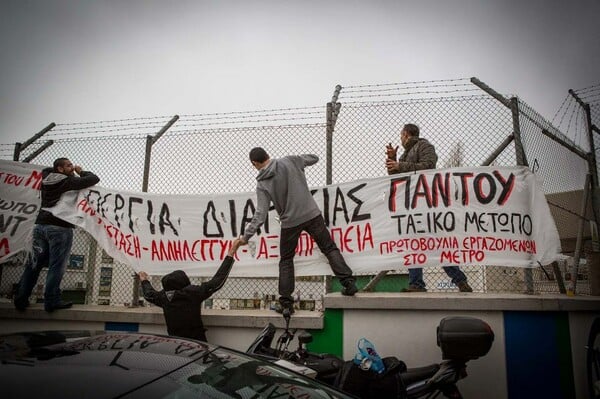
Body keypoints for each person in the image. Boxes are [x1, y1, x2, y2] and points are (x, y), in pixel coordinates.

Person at [234, 147, 358, 315]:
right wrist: (299, 161)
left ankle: (286, 304)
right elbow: (314, 158)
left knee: (286, 260)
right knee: (328, 248)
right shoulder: (290, 160)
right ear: (268, 155)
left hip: (290, 223)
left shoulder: (262, 183)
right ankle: (349, 283)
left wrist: (246, 236)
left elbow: (260, 214)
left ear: (255, 163)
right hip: (312, 214)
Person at [386, 124, 472, 293]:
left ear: (406, 134)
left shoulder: (424, 146)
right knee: (414, 244)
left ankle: (459, 280)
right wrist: (394, 159)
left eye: (401, 136)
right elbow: (399, 178)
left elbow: (428, 166)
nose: (400, 140)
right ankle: (418, 284)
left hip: (427, 204)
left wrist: (400, 165)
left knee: (436, 244)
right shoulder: (405, 154)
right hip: (413, 206)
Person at [14, 158, 100, 312]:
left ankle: (21, 298)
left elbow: (48, 169)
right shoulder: (67, 182)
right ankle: (52, 300)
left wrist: (66, 171)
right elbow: (93, 179)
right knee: (57, 265)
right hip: (59, 227)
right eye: (68, 166)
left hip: (40, 226)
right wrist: (81, 172)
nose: (72, 167)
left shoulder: (46, 176)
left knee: (34, 264)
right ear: (60, 169)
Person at [137, 244, 237, 342]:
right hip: (197, 343)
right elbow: (217, 282)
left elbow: (149, 294)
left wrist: (144, 280)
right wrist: (231, 253)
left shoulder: (164, 298)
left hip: (176, 343)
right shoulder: (193, 294)